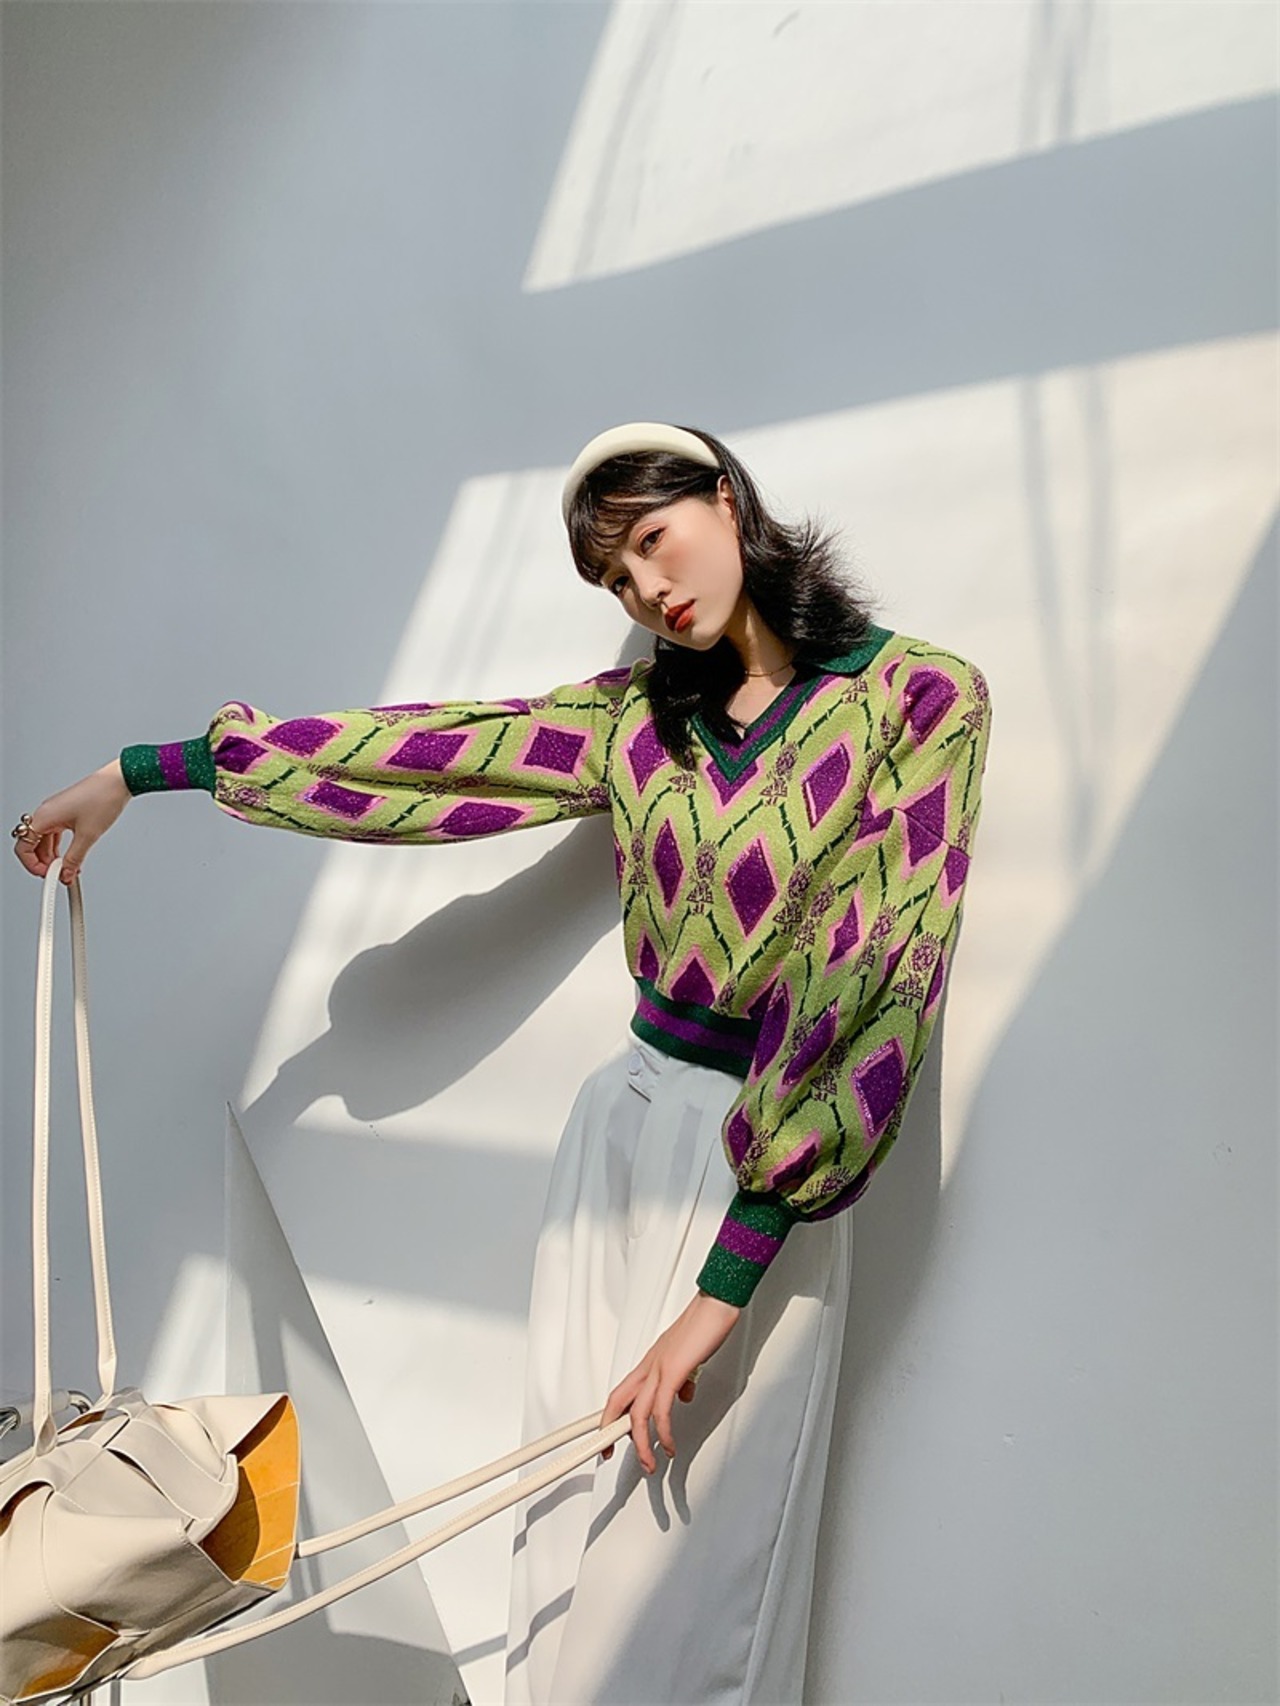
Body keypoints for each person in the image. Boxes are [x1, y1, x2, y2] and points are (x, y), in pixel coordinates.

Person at [11, 421, 993, 1705]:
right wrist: (145, 773)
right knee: (570, 1530)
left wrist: (719, 1289)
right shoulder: (633, 717)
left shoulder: (917, 699)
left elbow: (874, 979)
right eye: (616, 577)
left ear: (726, 498)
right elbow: (424, 757)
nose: (648, 588)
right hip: (621, 1128)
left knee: (695, 1567)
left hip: (760, 1159)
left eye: (653, 539)